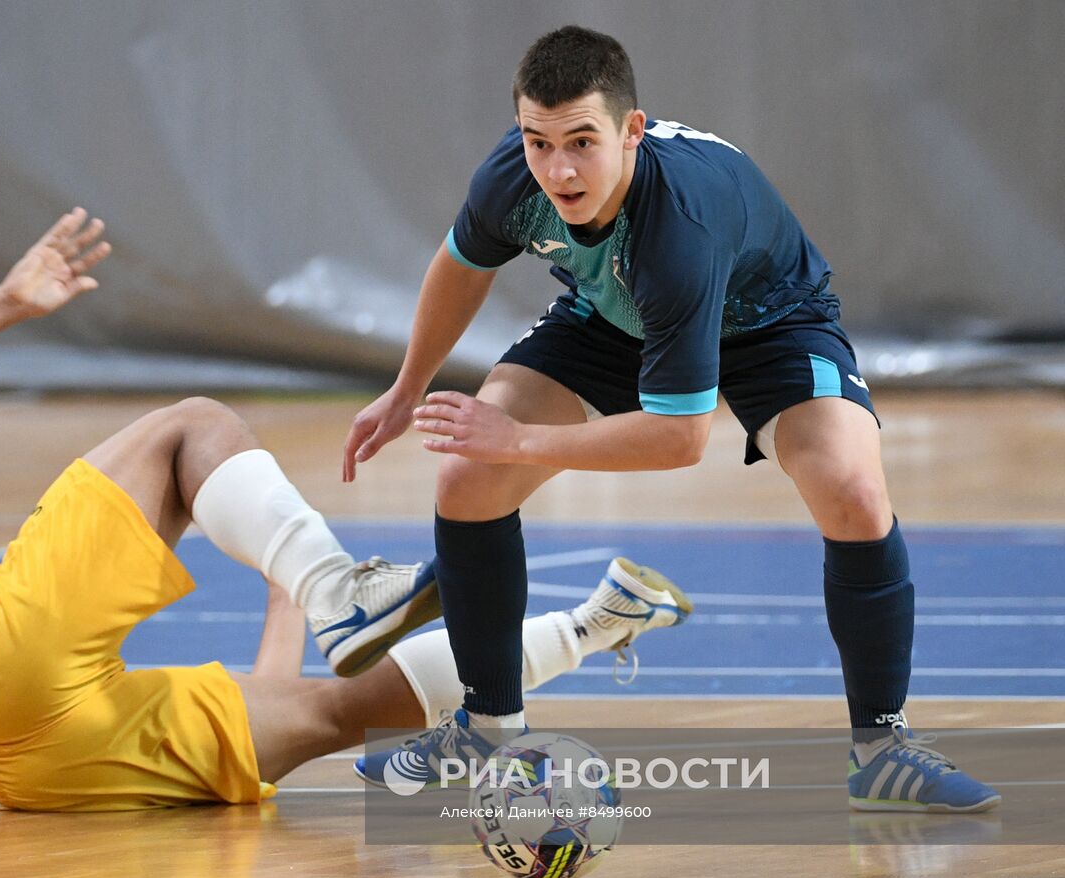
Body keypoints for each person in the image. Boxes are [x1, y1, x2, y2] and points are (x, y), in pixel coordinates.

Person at [0, 207, 688, 811]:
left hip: (35, 779)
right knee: (191, 429)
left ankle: (593, 624)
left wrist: (285, 598)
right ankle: (333, 590)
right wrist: (9, 302)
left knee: (330, 709)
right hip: (0, 697)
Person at [344, 27, 998, 812]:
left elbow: (680, 440)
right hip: (616, 318)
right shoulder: (513, 179)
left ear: (631, 131)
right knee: (467, 477)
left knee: (852, 491)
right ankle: (488, 730)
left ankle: (884, 750)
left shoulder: (677, 226)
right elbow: (460, 265)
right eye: (538, 141)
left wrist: (518, 437)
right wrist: (405, 387)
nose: (558, 168)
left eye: (582, 142)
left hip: (769, 323)